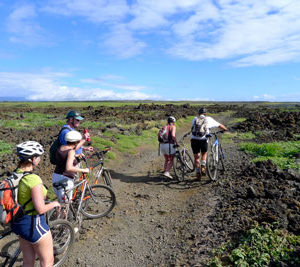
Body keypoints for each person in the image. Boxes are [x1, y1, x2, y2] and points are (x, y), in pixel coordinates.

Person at [11, 141, 60, 267]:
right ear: (33, 159)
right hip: (33, 224)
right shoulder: (33, 179)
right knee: (48, 261)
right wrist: (54, 204)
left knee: (28, 262)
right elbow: (40, 209)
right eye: (38, 156)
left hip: (19, 223)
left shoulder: (15, 174)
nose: (39, 159)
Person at [52, 130, 89, 203]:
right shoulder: (71, 151)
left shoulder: (61, 147)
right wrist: (84, 170)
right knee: (65, 205)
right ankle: (61, 214)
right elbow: (69, 168)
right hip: (65, 179)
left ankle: (59, 213)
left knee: (61, 203)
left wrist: (75, 156)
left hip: (56, 176)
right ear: (75, 142)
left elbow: (63, 156)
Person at [190, 107, 227, 179]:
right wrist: (225, 129)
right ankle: (203, 166)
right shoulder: (208, 119)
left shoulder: (194, 119)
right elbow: (219, 125)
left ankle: (198, 173)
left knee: (196, 157)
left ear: (199, 113)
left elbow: (192, 128)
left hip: (194, 139)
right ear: (205, 114)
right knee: (204, 153)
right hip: (203, 140)